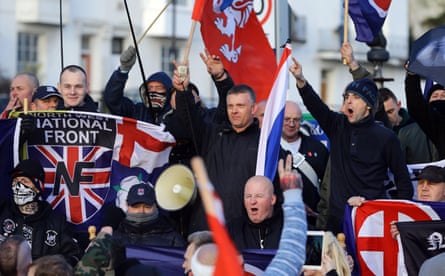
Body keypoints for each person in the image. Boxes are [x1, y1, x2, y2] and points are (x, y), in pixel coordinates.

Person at [289, 57, 413, 234]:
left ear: (368, 106)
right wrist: (301, 80)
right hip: (336, 222)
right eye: (347, 97)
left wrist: (400, 220)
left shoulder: (386, 137)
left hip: (371, 221)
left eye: (355, 97)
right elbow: (316, 106)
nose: (348, 101)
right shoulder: (337, 125)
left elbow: (403, 181)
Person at [0, 159, 81, 265]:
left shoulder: (56, 222)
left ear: (38, 187)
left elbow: (74, 256)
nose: (18, 187)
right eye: (15, 181)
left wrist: (47, 269)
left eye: (24, 181)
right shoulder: (2, 211)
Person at [280, 100, 329, 227]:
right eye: (287, 119)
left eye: (296, 120)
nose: (291, 124)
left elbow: (328, 184)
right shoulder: (269, 149)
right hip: (279, 220)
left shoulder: (318, 148)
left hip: (312, 220)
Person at [103, 46, 173, 125]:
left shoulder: (175, 115)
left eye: (158, 88)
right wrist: (123, 70)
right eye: (150, 88)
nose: (153, 91)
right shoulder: (137, 111)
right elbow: (112, 101)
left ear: (168, 91)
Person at [112, 183, 186, 247]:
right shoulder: (114, 238)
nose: (141, 211)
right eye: (136, 207)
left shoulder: (173, 239)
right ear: (127, 205)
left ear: (155, 206)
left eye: (147, 207)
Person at [379, 87, 439, 163]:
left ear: (398, 105)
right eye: (382, 114)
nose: (386, 117)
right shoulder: (374, 131)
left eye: (390, 111)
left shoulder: (419, 126)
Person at [227, 175, 282, 250]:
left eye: (259, 196)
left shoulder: (290, 227)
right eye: (248, 196)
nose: (252, 201)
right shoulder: (232, 230)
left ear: (272, 199)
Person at [405, 68, 445, 159]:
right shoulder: (438, 124)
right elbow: (416, 105)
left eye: (444, 95)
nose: (439, 98)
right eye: (435, 96)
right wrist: (412, 75)